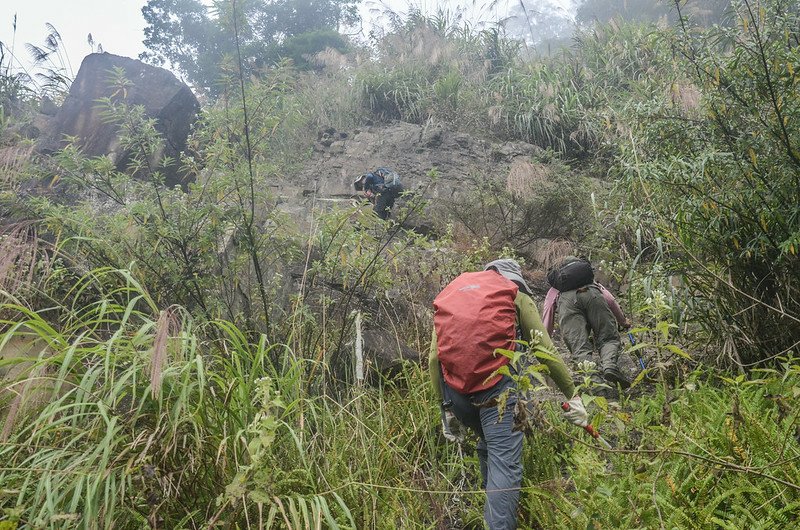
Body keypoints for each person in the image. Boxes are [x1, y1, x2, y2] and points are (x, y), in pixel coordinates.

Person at [429, 259, 588, 530]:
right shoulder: (516, 294)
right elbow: (545, 351)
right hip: (497, 394)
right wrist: (573, 395)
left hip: (456, 395)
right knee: (505, 465)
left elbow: (434, 359)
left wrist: (446, 407)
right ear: (513, 278)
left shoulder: (455, 293)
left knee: (488, 443)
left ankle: (491, 508)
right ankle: (498, 523)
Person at [541, 256, 631, 389]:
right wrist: (623, 322)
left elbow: (548, 309)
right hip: (592, 294)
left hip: (567, 303)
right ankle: (609, 365)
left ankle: (594, 383)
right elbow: (610, 300)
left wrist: (544, 337)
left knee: (579, 345)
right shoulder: (589, 280)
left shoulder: (557, 286)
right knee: (608, 338)